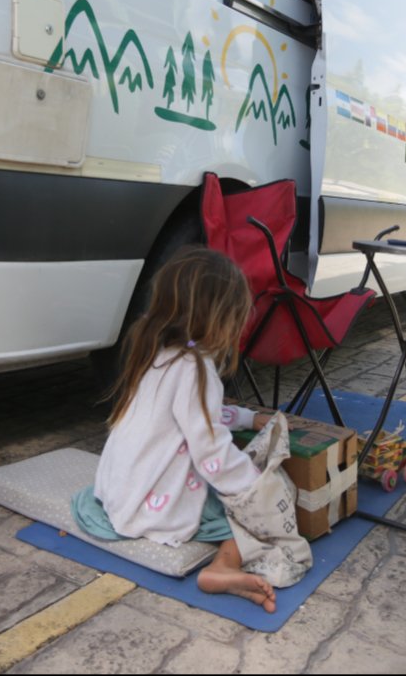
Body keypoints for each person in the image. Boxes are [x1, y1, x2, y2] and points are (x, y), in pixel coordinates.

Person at [71, 246, 280, 612]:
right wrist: (255, 486)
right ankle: (223, 566)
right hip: (153, 507)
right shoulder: (195, 370)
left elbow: (197, 417)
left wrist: (247, 419)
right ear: (221, 318)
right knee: (243, 519)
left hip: (116, 492)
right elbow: (212, 452)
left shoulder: (157, 355)